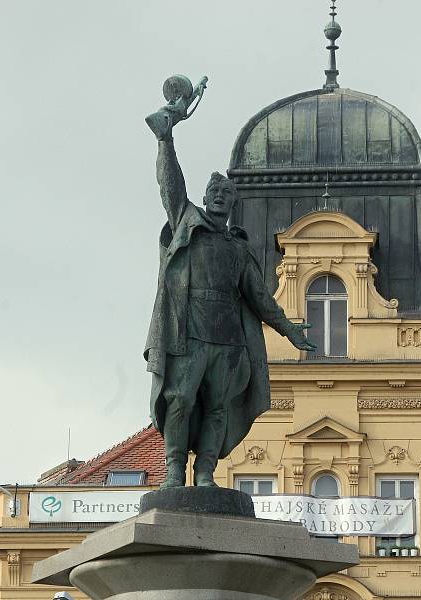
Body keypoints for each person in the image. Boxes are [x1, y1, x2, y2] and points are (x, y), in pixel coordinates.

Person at [144, 133, 316, 489]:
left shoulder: (237, 247)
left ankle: (205, 471)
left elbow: (258, 295)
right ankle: (175, 469)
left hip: (228, 338)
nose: (219, 196)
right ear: (205, 198)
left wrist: (290, 329)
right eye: (214, 192)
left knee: (218, 407)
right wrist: (166, 138)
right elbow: (169, 184)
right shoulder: (187, 224)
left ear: (233, 203)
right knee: (179, 399)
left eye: (226, 194)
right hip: (188, 331)